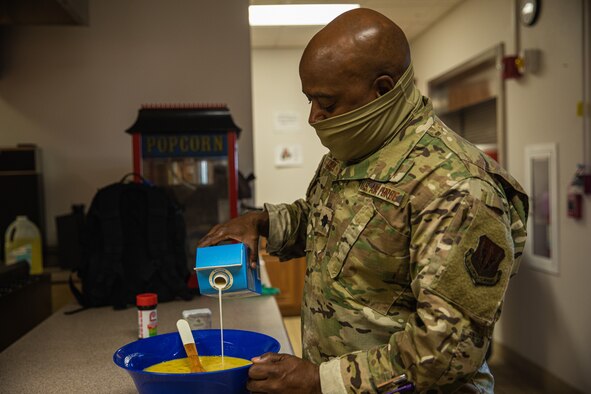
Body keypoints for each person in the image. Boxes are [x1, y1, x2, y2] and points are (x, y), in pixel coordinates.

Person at [198, 7, 528, 394]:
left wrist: (319, 380)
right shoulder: (353, 152)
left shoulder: (458, 187)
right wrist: (263, 221)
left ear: (383, 90)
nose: (314, 117)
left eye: (327, 103)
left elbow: (444, 353)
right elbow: (327, 219)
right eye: (310, 100)